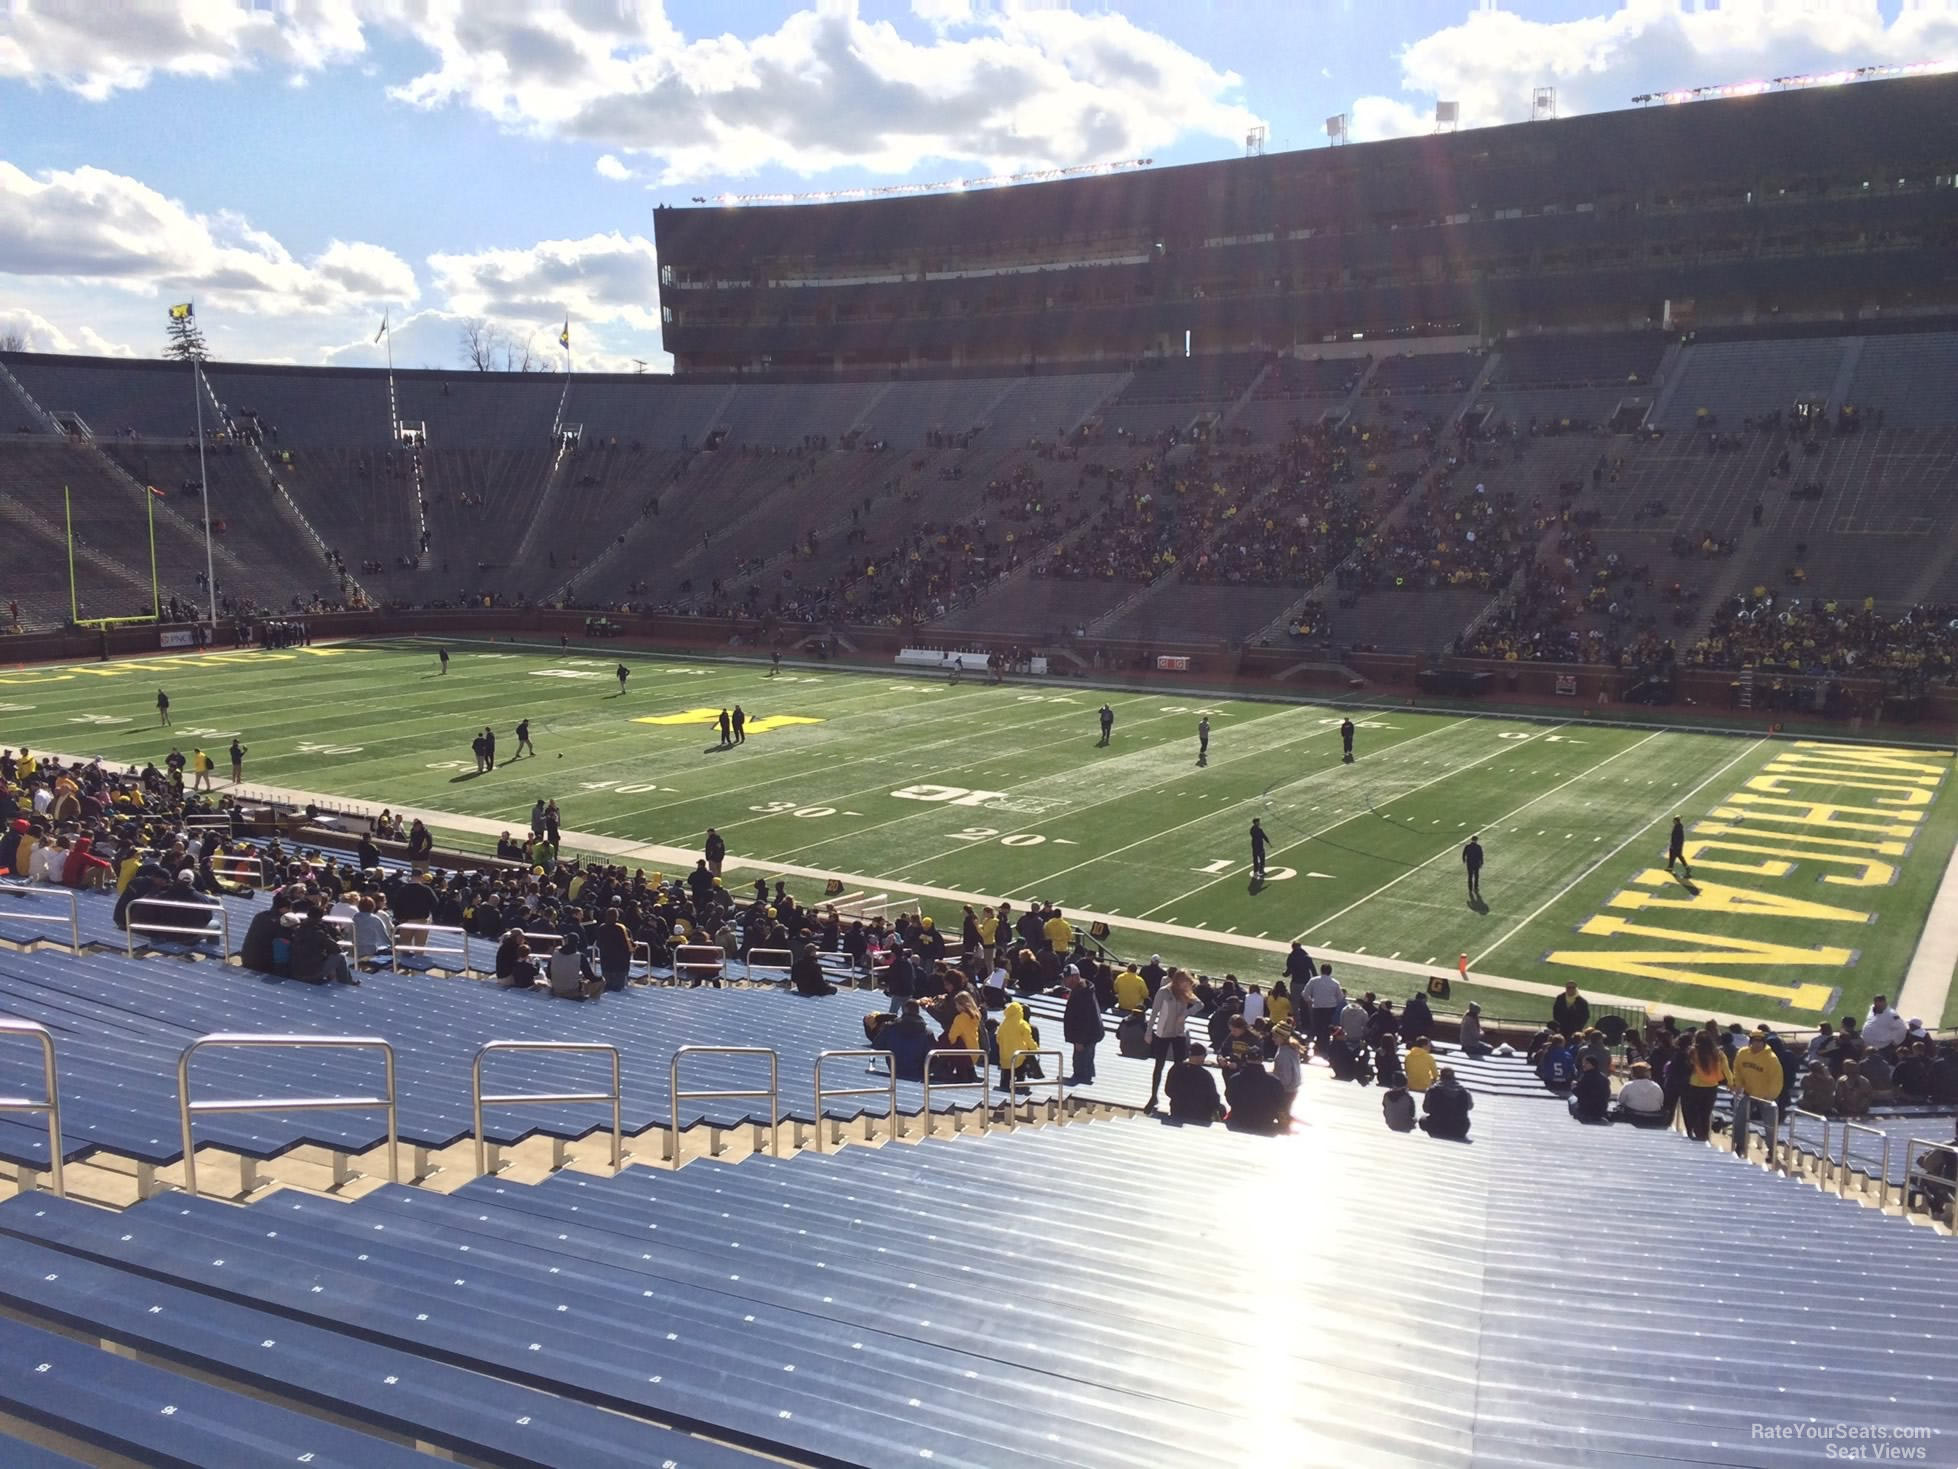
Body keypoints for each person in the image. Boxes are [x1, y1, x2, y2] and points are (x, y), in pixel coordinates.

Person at [1143, 970, 1197, 1113]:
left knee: (1179, 1066)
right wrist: (1149, 1032)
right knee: (1158, 1065)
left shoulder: (1185, 993)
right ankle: (1153, 1096)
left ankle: (1177, 1097)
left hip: (1178, 1033)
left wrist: (1186, 1014)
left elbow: (1199, 1004)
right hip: (1163, 1032)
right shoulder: (1163, 992)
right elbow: (1154, 1012)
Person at [1730, 1027, 1785, 1158]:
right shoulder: (1742, 1053)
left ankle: (1772, 1151)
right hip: (1749, 1093)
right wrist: (1738, 1084)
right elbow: (1737, 1069)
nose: (1757, 1044)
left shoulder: (1771, 1059)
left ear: (1764, 1042)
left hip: (1766, 1097)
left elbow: (1777, 1079)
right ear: (1750, 1041)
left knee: (1770, 1126)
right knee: (1739, 1119)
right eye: (1755, 1041)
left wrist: (1771, 1096)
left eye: (1760, 1041)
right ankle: (1740, 1145)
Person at [1679, 1029, 1730, 1141]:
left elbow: (1689, 1067)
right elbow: (1726, 1070)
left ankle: (1699, 1135)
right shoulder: (1719, 1053)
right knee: (1706, 1114)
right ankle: (1705, 1138)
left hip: (1695, 1086)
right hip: (1712, 1087)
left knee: (1694, 1113)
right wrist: (1731, 1083)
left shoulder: (1692, 1052)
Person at [1062, 967, 1103, 1085]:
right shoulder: (1082, 990)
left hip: (1085, 1038)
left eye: (1067, 978)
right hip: (1087, 1036)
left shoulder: (1082, 993)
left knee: (1081, 1068)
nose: (1065, 981)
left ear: (1075, 977)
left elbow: (1084, 1019)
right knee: (1085, 1063)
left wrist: (1079, 1041)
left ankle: (1081, 1091)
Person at [1164, 1044, 1224, 1123]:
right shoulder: (1205, 1075)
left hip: (1177, 1111)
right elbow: (1213, 1099)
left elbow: (1168, 1090)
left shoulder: (1176, 1068)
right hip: (1200, 1117)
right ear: (1201, 1056)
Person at [876, 1001, 933, 1082]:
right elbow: (932, 1057)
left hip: (895, 1069)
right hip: (918, 1073)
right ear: (918, 1011)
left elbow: (877, 1045)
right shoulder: (927, 1032)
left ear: (905, 1010)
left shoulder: (890, 1027)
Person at [995, 1000, 1038, 1094]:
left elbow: (998, 1039)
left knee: (1005, 1077)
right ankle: (1018, 1091)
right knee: (1019, 1075)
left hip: (1005, 1056)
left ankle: (1002, 1095)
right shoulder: (1022, 1024)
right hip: (1019, 1056)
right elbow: (1028, 1039)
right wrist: (1034, 1048)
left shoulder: (1003, 1024)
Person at [1419, 1067, 1473, 1140]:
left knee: (1422, 1119)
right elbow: (1470, 1107)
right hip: (1459, 1129)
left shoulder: (1432, 1090)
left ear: (1440, 1077)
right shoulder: (1464, 1092)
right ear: (1454, 1077)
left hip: (1436, 1127)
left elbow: (1426, 1109)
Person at [1613, 1060, 1671, 1126]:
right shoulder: (1657, 1087)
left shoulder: (1627, 1086)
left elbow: (1620, 1101)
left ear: (1632, 1074)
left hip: (1632, 1118)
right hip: (1654, 1119)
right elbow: (1660, 1103)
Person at [595, 907, 634, 991]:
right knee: (619, 989)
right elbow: (628, 945)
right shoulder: (621, 928)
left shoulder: (601, 927)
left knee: (607, 988)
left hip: (606, 962)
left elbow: (599, 943)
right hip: (620, 963)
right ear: (617, 916)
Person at [1570, 1054, 1612, 1123]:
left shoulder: (1586, 1077)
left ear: (1593, 1065)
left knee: (1571, 1099)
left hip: (1586, 1111)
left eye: (1586, 1063)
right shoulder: (1604, 1078)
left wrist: (1573, 1087)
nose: (1584, 1065)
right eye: (1583, 1063)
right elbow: (1607, 1094)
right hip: (1600, 1111)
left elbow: (1580, 1093)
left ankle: (1578, 1116)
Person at [1462, 834, 1483, 901]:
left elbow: (1464, 854)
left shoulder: (1467, 846)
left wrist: (1464, 860)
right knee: (1476, 875)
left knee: (1470, 876)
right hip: (1476, 863)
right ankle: (1476, 887)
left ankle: (1470, 888)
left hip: (1469, 863)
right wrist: (1481, 863)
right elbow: (1481, 855)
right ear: (1476, 840)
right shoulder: (1478, 847)